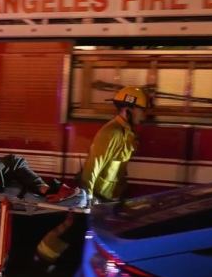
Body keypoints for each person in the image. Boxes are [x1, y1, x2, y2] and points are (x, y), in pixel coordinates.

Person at [35, 85, 151, 266]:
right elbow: (94, 165)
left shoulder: (126, 133)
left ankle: (63, 262)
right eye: (141, 111)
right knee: (72, 229)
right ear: (128, 109)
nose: (143, 116)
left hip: (108, 196)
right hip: (96, 195)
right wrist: (86, 196)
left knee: (84, 232)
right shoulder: (111, 132)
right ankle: (42, 259)